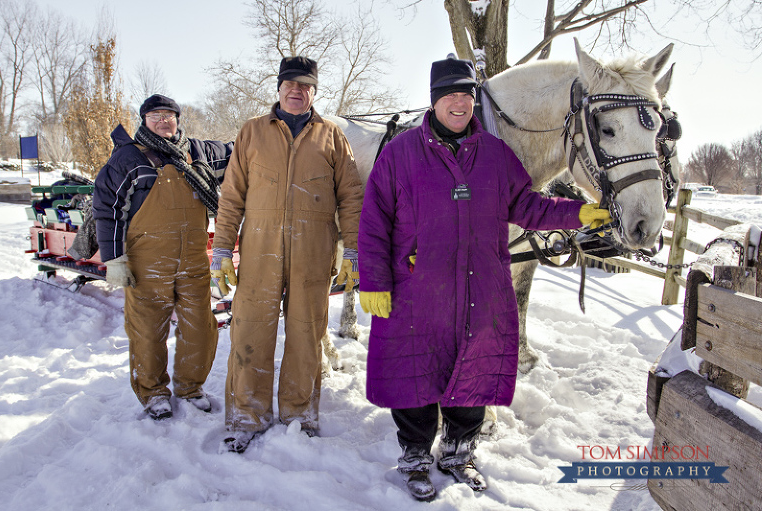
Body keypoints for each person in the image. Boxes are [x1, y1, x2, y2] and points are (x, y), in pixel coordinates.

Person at [357, 57, 612, 501]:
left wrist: (576, 212)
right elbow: (374, 221)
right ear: (434, 100)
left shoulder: (494, 155)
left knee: (472, 372)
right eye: (450, 94)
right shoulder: (400, 154)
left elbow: (528, 206)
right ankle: (416, 455)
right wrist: (374, 280)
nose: (460, 102)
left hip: (479, 289)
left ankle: (458, 452)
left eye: (467, 94)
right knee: (416, 372)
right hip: (418, 290)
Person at [210, 56, 363, 453]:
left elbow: (351, 199)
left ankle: (299, 414)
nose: (297, 91)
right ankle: (247, 414)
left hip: (313, 253)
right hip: (260, 251)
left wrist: (355, 251)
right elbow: (231, 197)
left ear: (314, 90)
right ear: (279, 88)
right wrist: (222, 248)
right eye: (290, 84)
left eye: (305, 85)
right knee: (250, 331)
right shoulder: (252, 133)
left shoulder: (331, 137)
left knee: (306, 335)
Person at [93, 94, 233, 420]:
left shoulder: (197, 152)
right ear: (144, 120)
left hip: (194, 259)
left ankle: (190, 386)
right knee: (147, 330)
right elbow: (107, 208)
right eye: (155, 116)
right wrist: (115, 260)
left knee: (201, 326)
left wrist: (275, 128)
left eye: (169, 115)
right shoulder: (128, 158)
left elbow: (240, 152)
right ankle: (153, 391)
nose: (163, 121)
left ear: (177, 119)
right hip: (147, 262)